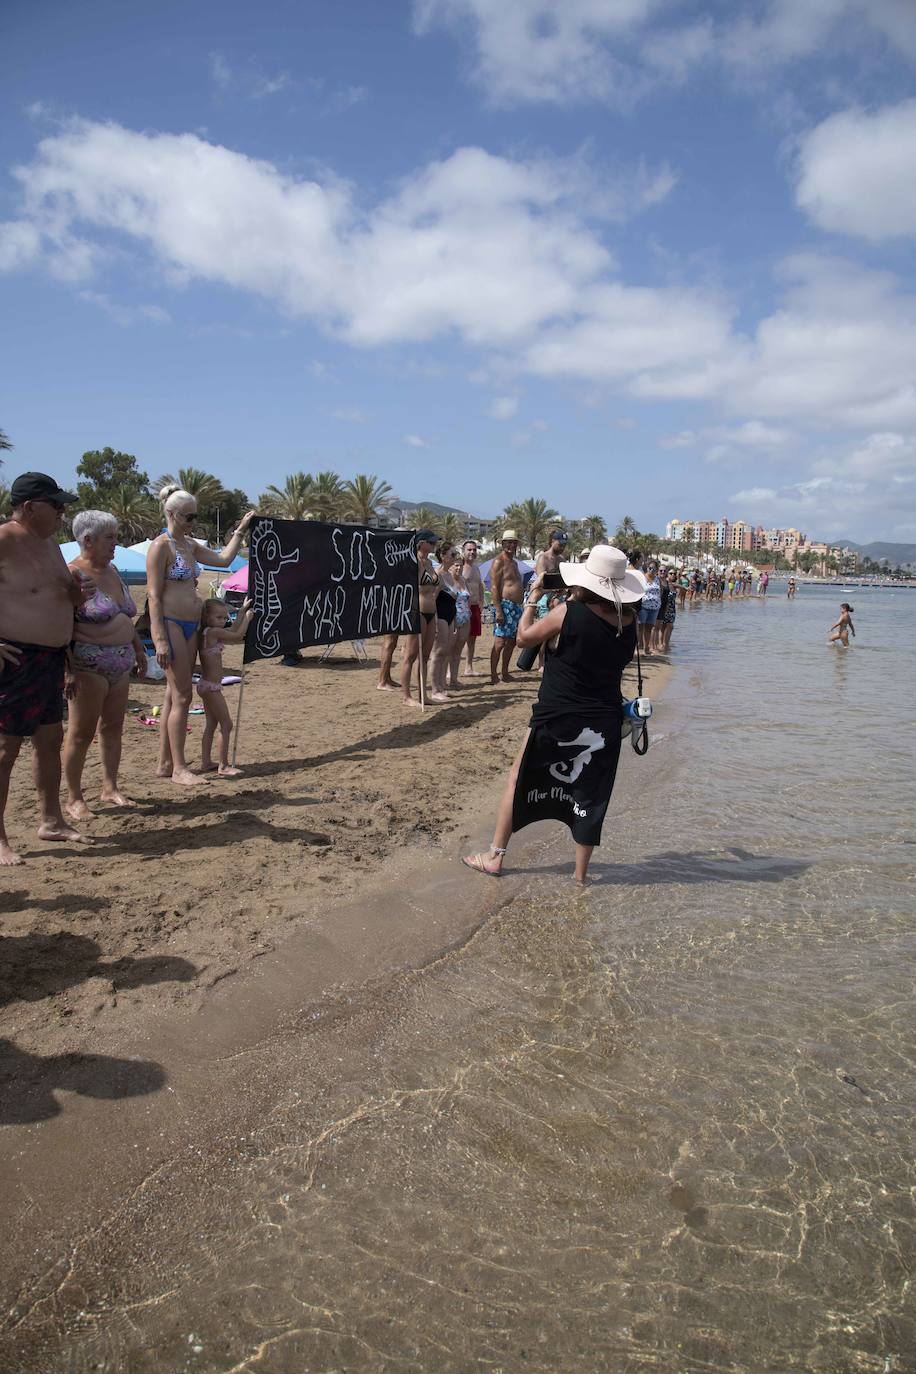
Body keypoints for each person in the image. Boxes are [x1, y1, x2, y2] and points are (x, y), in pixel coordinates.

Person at [462, 545, 643, 885]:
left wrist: (532, 598)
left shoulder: (567, 612)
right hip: (602, 718)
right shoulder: (628, 621)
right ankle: (580, 876)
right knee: (591, 792)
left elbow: (523, 638)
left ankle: (494, 857)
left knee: (519, 778)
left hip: (557, 713)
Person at [0, 472, 94, 863]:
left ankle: (51, 820)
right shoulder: (4, 539)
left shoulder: (51, 545)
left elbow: (64, 600)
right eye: (55, 505)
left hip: (51, 659)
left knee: (49, 741)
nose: (62, 511)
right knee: (5, 749)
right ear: (28, 507)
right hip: (14, 659)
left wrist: (76, 594)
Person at [146, 485, 254, 784]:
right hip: (171, 622)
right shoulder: (161, 547)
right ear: (171, 514)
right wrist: (159, 639)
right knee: (182, 695)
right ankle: (180, 768)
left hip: (192, 623)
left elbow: (222, 560)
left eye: (196, 516)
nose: (193, 522)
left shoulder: (190, 545)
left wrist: (240, 531)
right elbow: (154, 596)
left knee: (173, 694)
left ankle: (166, 762)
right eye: (188, 516)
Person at [63, 510, 147, 820]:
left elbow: (126, 617)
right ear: (87, 540)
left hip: (121, 662)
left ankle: (109, 787)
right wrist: (67, 669)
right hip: (88, 664)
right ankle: (73, 797)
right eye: (110, 538)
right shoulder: (73, 574)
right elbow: (60, 625)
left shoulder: (113, 570)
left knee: (113, 729)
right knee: (81, 733)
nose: (116, 543)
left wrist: (139, 650)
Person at [197, 597, 254, 774]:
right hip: (211, 688)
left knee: (211, 724)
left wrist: (242, 611)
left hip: (207, 685)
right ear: (207, 617)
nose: (223, 621)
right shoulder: (212, 632)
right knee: (227, 724)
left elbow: (234, 628)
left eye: (224, 617)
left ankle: (206, 763)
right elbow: (238, 635)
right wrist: (248, 619)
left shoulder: (209, 632)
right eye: (218, 617)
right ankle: (223, 765)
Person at [400, 530, 439, 707]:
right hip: (417, 611)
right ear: (421, 542)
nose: (434, 545)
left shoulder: (430, 562)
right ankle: (407, 696)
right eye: (431, 542)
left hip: (432, 611)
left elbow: (438, 585)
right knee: (410, 655)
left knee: (425, 657)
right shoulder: (413, 561)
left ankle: (423, 694)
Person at [489, 529, 524, 684]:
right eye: (508, 542)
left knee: (511, 641)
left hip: (516, 607)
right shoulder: (499, 561)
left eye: (513, 542)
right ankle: (493, 675)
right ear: (502, 544)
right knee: (500, 642)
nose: (511, 545)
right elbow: (494, 587)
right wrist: (498, 610)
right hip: (505, 605)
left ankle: (505, 672)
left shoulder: (515, 563)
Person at [430, 539, 457, 702]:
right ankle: (434, 688)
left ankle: (441, 685)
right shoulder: (438, 574)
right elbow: (432, 598)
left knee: (445, 651)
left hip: (449, 616)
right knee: (438, 653)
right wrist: (434, 622)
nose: (455, 557)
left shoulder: (449, 574)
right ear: (442, 555)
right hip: (439, 616)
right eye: (452, 554)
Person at [460, 541, 485, 676]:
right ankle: (449, 671)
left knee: (472, 638)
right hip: (464, 608)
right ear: (463, 551)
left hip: (475, 607)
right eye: (469, 550)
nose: (472, 552)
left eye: (474, 550)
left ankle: (468, 667)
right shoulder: (460, 568)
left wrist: (481, 601)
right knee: (459, 639)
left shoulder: (476, 568)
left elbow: (480, 585)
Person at [448, 552, 472, 690]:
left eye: (461, 565)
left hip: (465, 620)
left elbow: (467, 600)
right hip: (452, 620)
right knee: (447, 652)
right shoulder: (446, 580)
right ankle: (444, 680)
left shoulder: (463, 580)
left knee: (458, 652)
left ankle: (454, 680)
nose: (458, 568)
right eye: (456, 565)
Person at [637, 559, 662, 655]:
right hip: (644, 606)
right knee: (640, 627)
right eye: (650, 568)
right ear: (647, 568)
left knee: (649, 628)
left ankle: (646, 648)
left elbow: (660, 592)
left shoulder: (657, 579)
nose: (652, 570)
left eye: (654, 568)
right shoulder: (642, 578)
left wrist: (658, 602)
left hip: (655, 608)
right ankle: (639, 647)